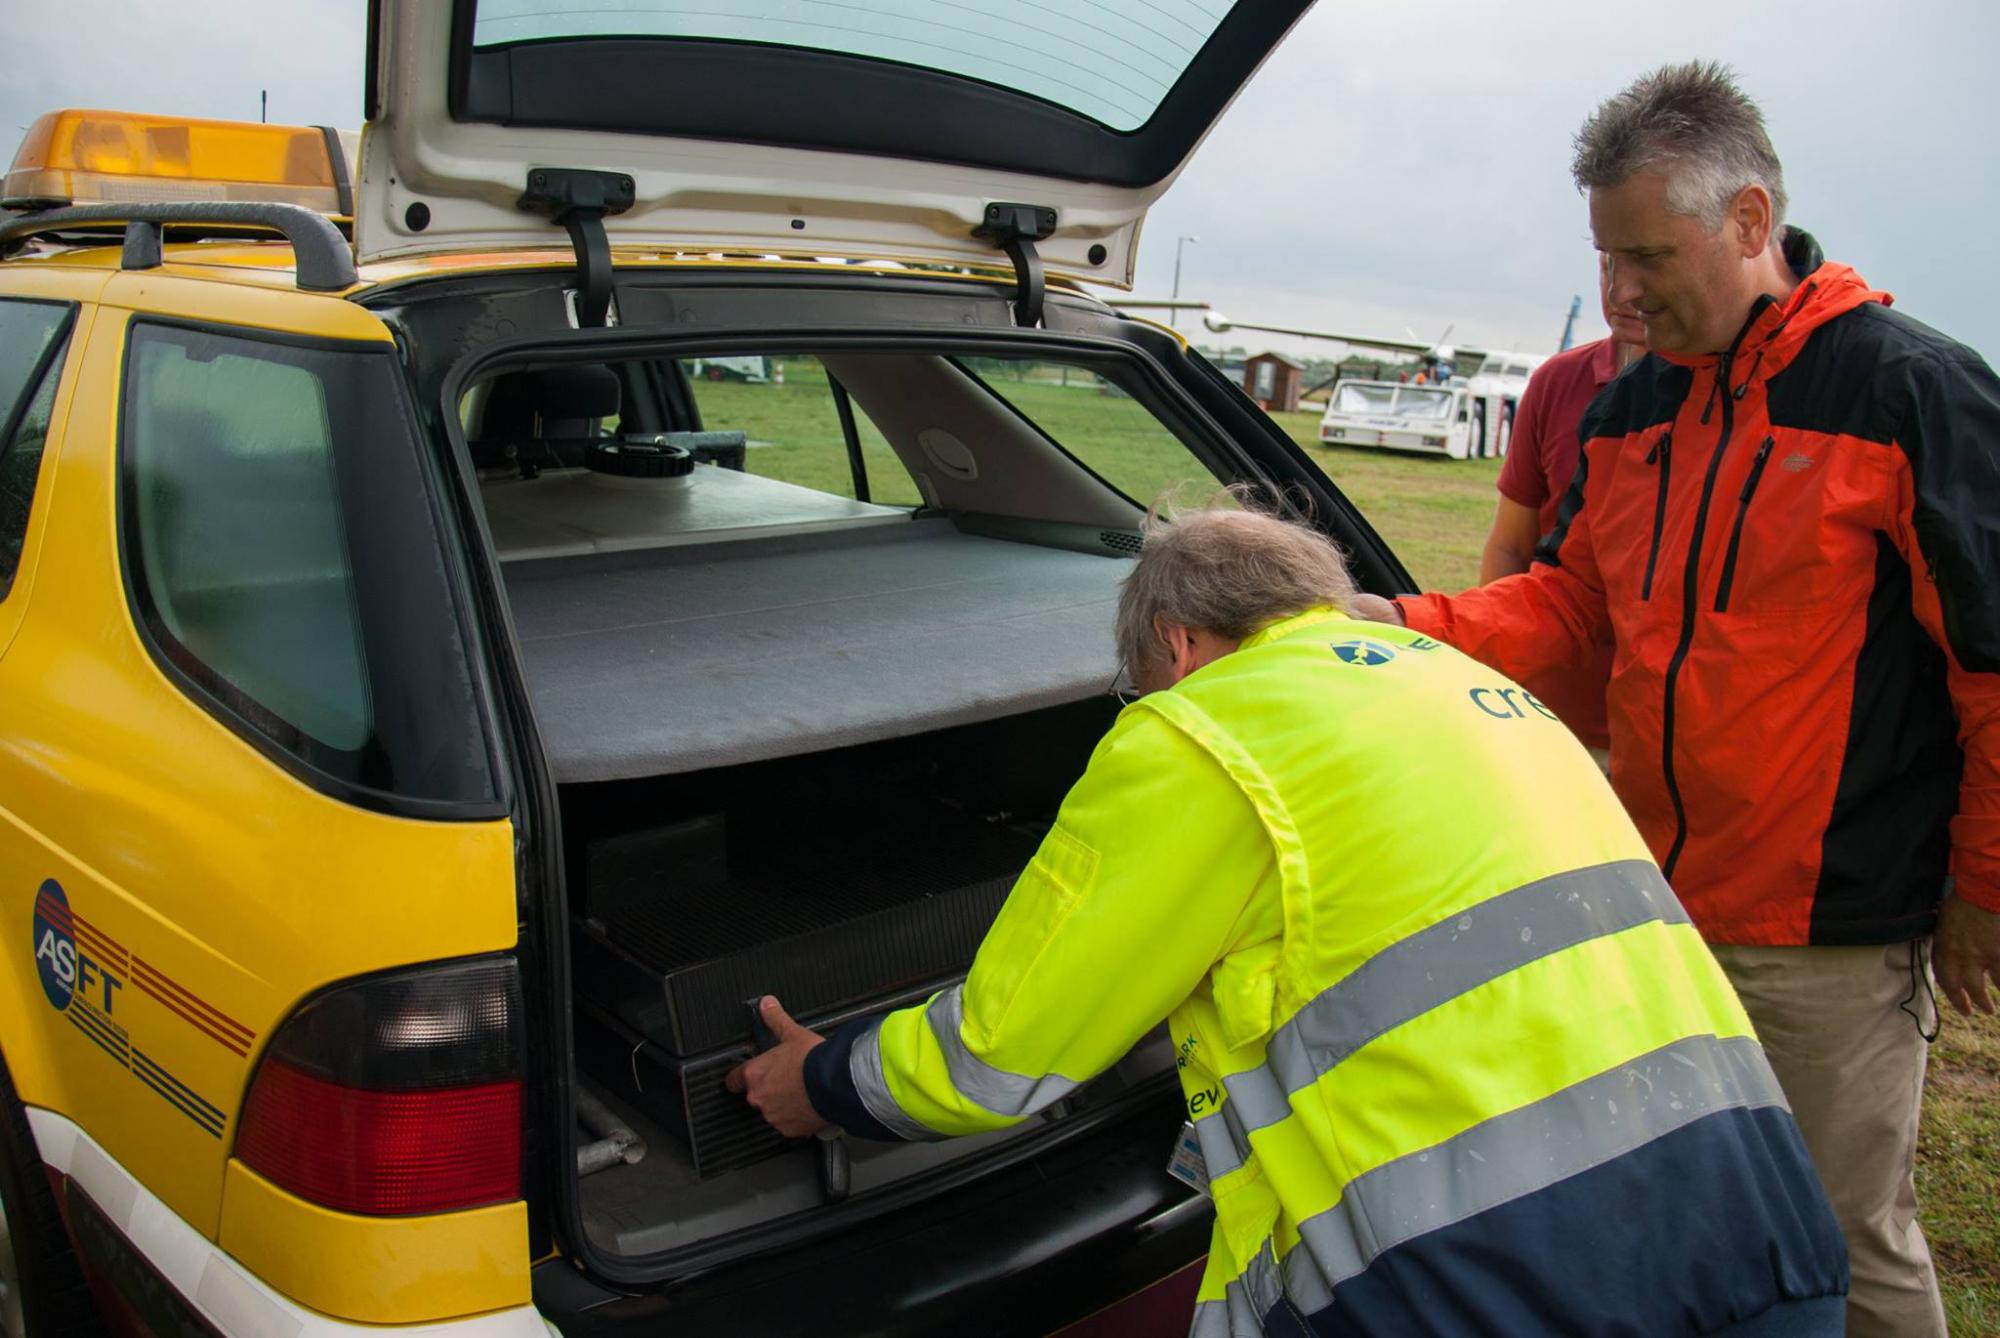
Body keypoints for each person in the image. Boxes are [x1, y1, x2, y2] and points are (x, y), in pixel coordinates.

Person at [731, 503, 1847, 1336]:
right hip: (1758, 1234)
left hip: (1491, 1284)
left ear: (1176, 645)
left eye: (1140, 682)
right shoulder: (1472, 689)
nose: (1147, 703)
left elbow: (997, 1055)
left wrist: (822, 1082)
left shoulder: (1202, 732)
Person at [1350, 61, 2000, 1338]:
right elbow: (1572, 608)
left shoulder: (1907, 390)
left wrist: (1982, 885)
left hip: (1828, 930)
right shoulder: (1631, 407)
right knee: (1676, 1213)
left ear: (1749, 221)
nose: (1620, 294)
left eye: (1646, 256)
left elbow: (1991, 665)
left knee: (1840, 1235)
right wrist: (1399, 628)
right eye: (1605, 257)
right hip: (1645, 903)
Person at [1475, 257, 1648, 750]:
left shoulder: (1726, 392)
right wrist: (1493, 681)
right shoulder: (1557, 381)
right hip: (1550, 716)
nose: (1619, 292)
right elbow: (1510, 546)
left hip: (1664, 732)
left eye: (1645, 264)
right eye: (1608, 268)